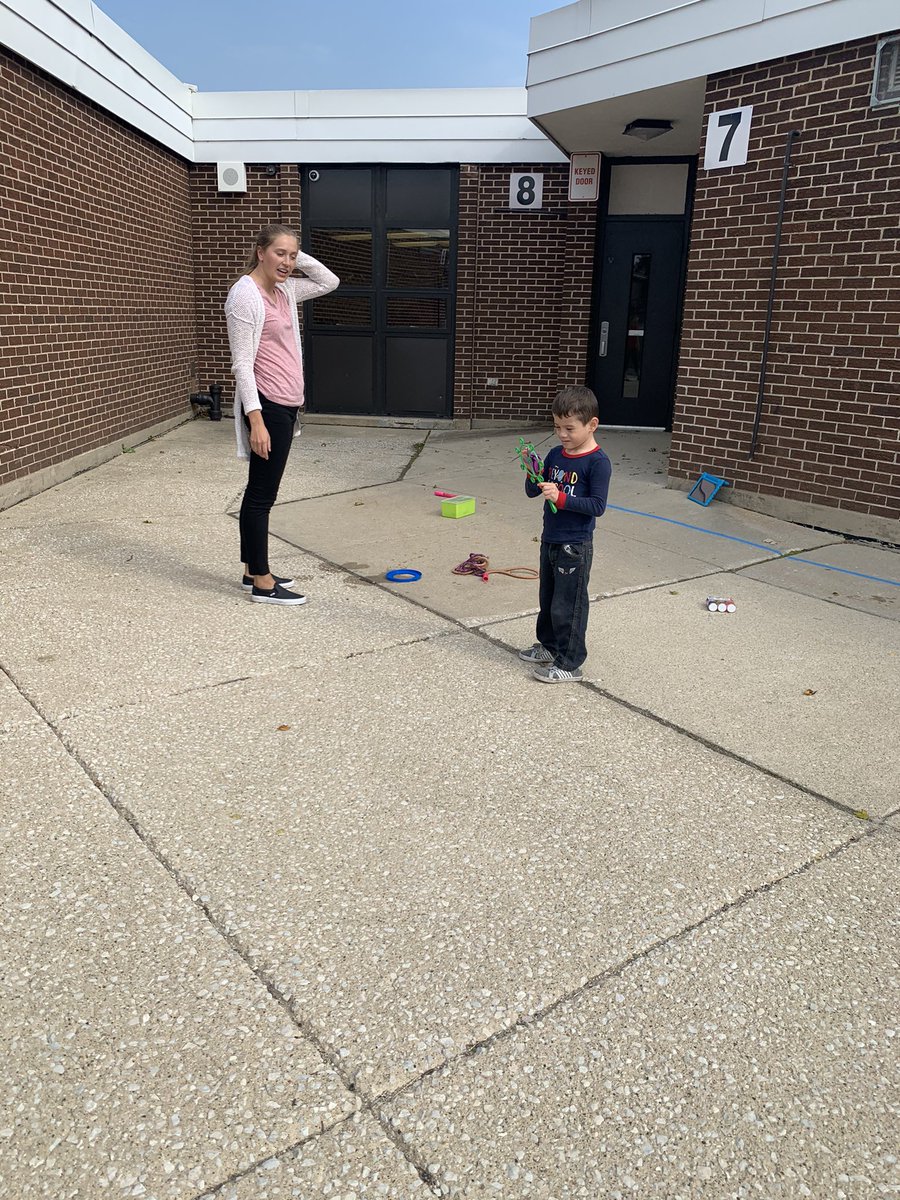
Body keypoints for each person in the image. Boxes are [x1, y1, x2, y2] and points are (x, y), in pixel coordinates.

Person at [225, 224, 339, 605]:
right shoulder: (245, 296)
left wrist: (292, 256)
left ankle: (249, 570)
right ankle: (261, 580)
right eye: (279, 253)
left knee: (259, 491)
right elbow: (242, 365)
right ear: (260, 252)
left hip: (286, 405)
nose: (287, 262)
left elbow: (329, 281)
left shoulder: (286, 289)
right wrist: (255, 420)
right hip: (267, 406)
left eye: (292, 255)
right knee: (261, 495)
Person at [519, 386, 612, 682]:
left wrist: (561, 498)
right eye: (557, 427)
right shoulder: (556, 454)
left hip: (575, 544)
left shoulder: (597, 463)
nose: (561, 434)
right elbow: (535, 490)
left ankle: (570, 662)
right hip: (551, 538)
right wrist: (533, 471)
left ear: (592, 425)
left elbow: (597, 506)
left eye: (569, 428)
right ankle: (549, 646)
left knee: (568, 604)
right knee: (548, 596)